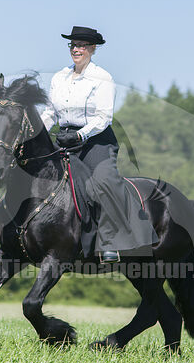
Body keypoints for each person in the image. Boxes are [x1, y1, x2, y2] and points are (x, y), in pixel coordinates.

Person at [41, 26, 159, 263]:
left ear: (93, 49)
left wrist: (80, 136)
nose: (76, 49)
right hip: (64, 138)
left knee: (103, 181)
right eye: (73, 45)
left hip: (95, 141)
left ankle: (111, 242)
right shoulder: (59, 77)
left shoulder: (103, 78)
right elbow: (50, 112)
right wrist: (36, 134)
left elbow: (103, 118)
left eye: (82, 45)